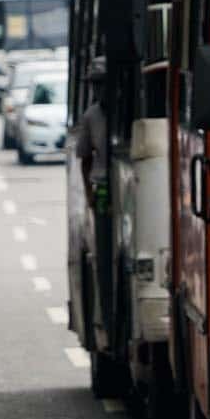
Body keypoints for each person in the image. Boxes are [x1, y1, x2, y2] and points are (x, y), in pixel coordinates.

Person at [75, 59, 112, 331]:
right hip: (102, 188)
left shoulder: (127, 111)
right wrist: (89, 192)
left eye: (102, 85)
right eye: (95, 86)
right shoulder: (91, 116)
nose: (99, 91)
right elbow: (85, 158)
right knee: (103, 249)